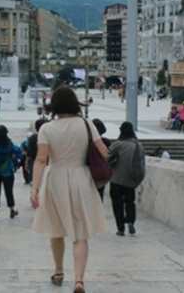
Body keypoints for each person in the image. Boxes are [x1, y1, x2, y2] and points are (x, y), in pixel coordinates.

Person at [31, 86, 108, 292]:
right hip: (81, 178)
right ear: (75, 103)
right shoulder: (87, 124)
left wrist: (35, 189)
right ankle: (79, 280)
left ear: (54, 105)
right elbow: (105, 153)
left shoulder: (46, 129)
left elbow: (40, 160)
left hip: (55, 178)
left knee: (55, 230)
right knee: (80, 233)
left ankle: (58, 271)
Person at [108, 122, 146, 237]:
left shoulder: (118, 144)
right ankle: (130, 221)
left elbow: (106, 155)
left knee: (117, 204)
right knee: (130, 202)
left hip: (116, 180)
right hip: (131, 180)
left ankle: (120, 228)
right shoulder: (139, 145)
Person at [0, 125, 22, 221]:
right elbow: (19, 152)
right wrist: (15, 162)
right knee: (9, 191)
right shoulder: (10, 145)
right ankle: (12, 210)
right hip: (8, 172)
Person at [22, 118, 48, 185]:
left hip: (34, 164)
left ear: (36, 128)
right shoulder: (50, 137)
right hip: (47, 165)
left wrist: (26, 162)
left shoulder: (32, 138)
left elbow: (29, 153)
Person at [91, 118, 112, 201]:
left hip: (89, 172)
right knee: (99, 196)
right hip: (102, 172)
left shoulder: (86, 142)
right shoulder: (106, 142)